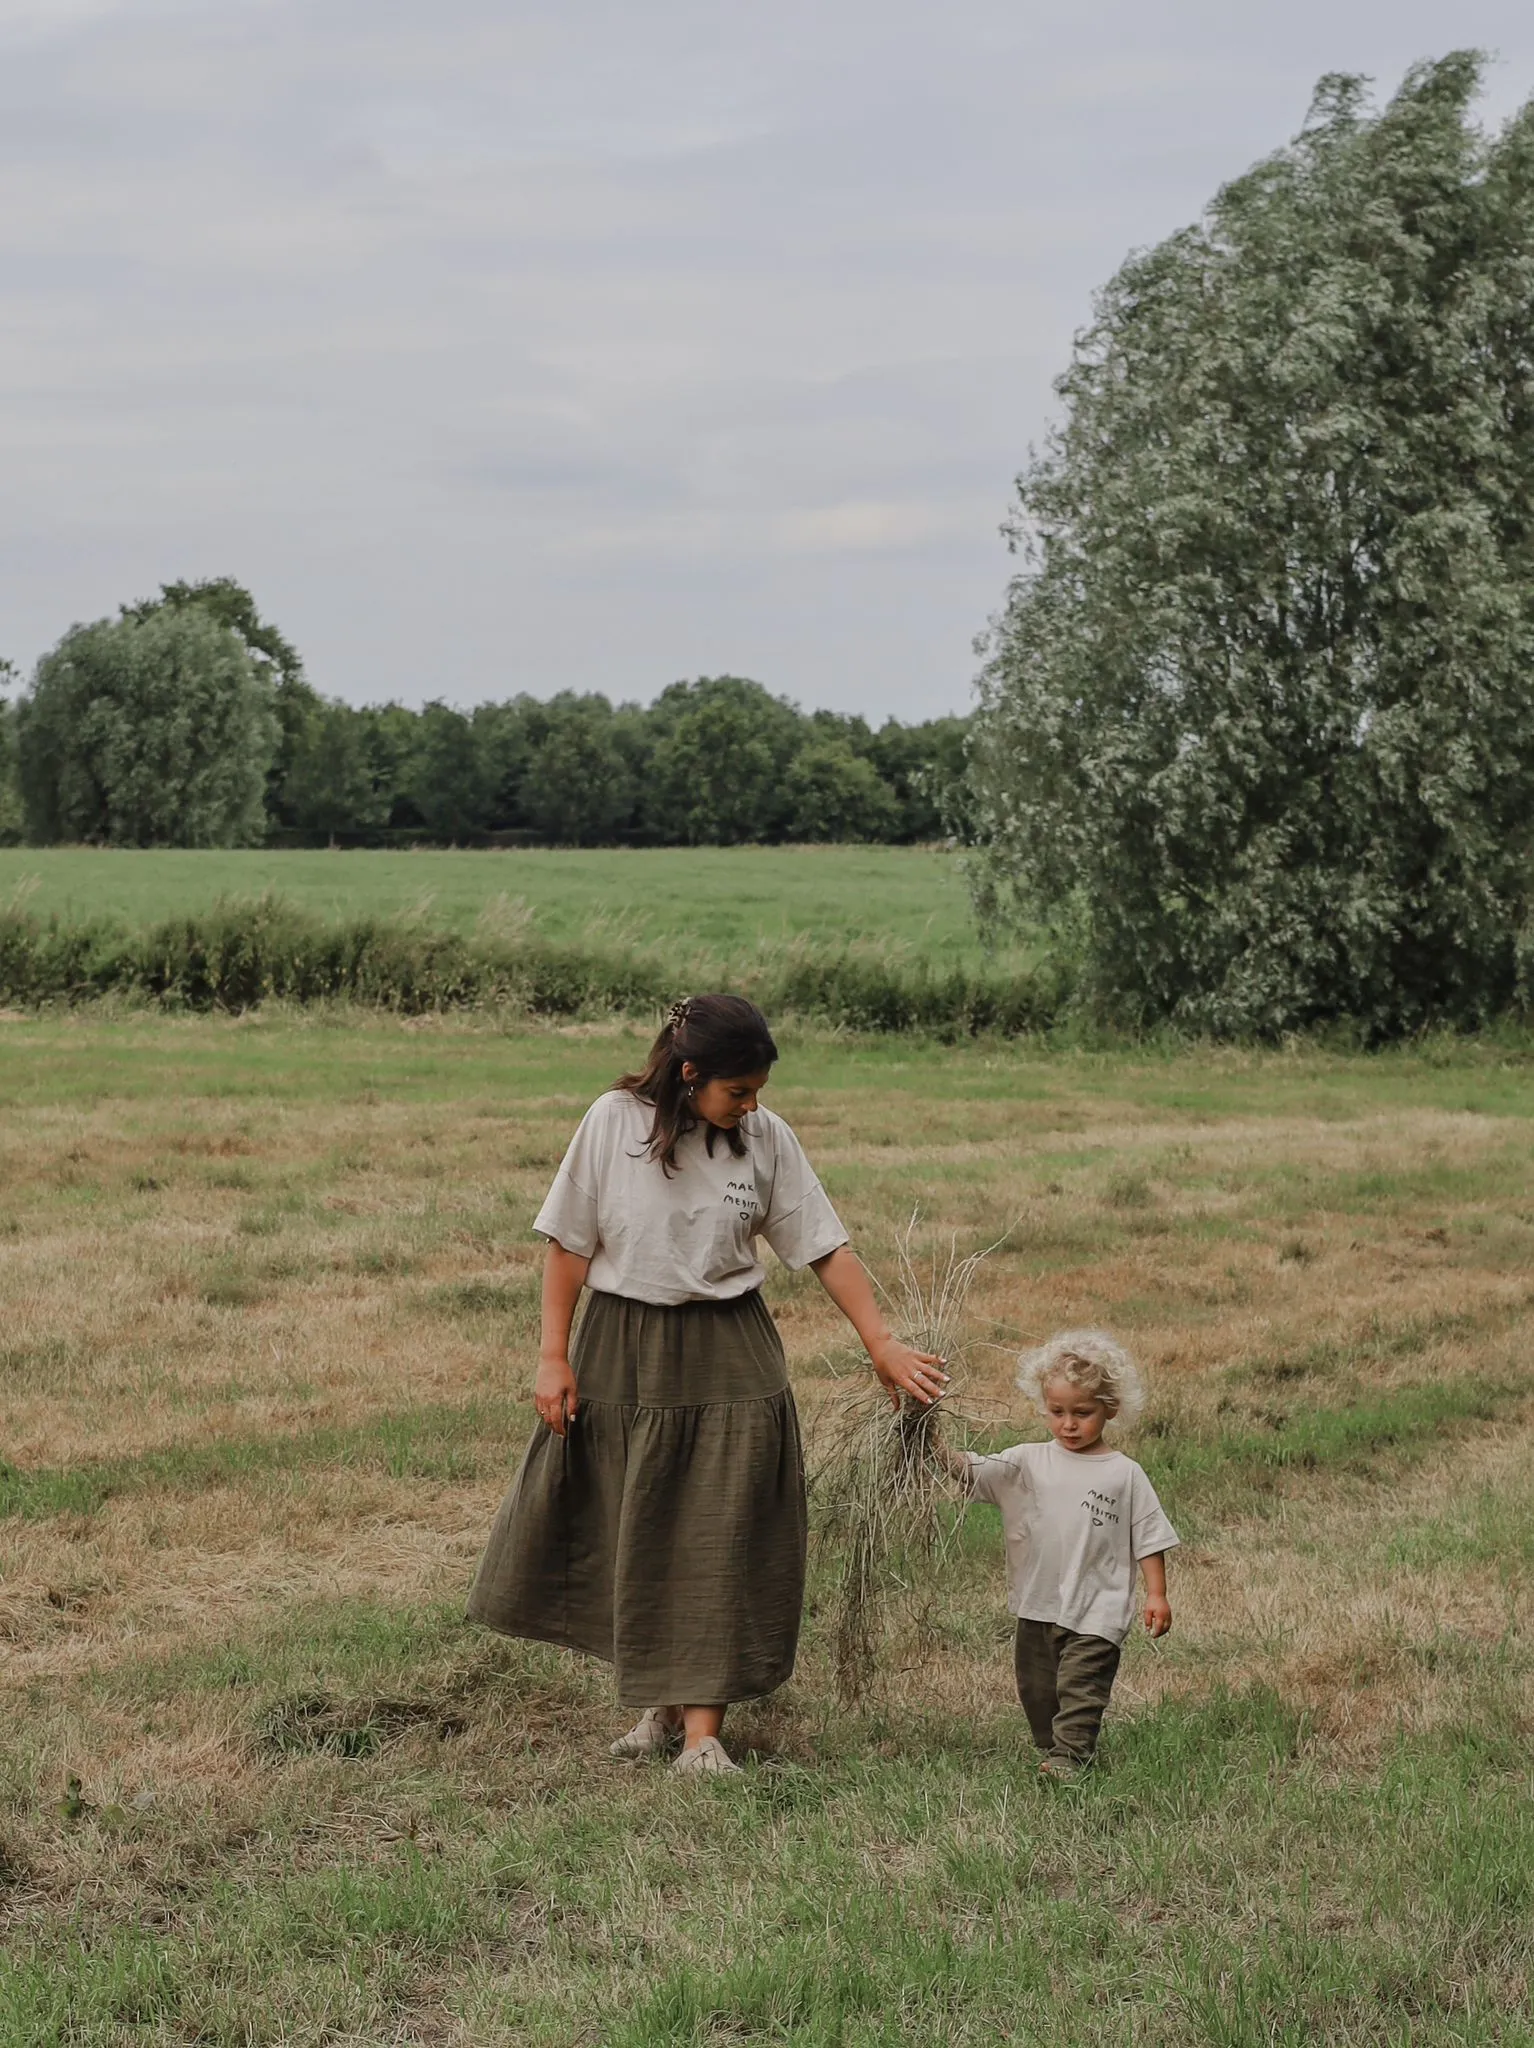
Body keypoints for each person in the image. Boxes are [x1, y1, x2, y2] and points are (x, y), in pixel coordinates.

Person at [467, 993, 947, 1774]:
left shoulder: (765, 1139)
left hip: (731, 1349)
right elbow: (567, 1244)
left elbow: (824, 1246)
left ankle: (702, 1738)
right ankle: (659, 1707)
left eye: (759, 1091)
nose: (752, 1105)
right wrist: (553, 1356)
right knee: (639, 1521)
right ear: (689, 1075)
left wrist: (882, 1344)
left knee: (719, 1528)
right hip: (622, 1346)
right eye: (739, 1091)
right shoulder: (611, 1123)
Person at [936, 1329, 1177, 1780]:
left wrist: (1156, 1594)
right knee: (1037, 1688)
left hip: (1096, 1607)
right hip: (1037, 1602)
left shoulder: (1123, 1474)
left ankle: (1071, 1756)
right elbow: (970, 1470)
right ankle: (1053, 1746)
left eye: (1083, 1413)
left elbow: (1149, 1536)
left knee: (1081, 1686)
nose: (1069, 1424)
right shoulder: (1027, 1462)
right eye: (1057, 1412)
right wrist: (926, 1436)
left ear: (1111, 1409)